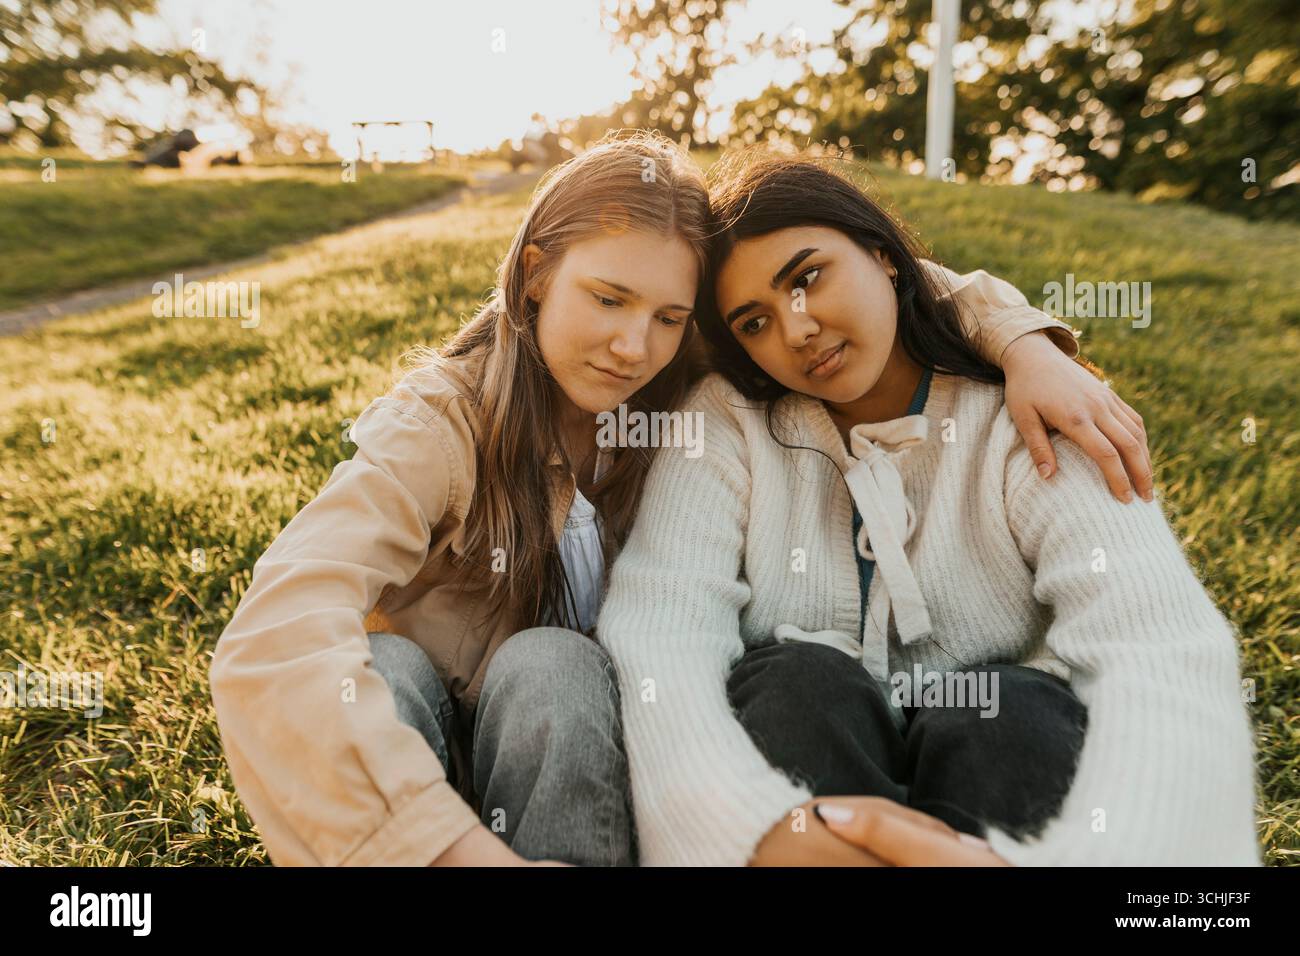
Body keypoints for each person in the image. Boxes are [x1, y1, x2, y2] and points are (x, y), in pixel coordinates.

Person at [209, 132, 1160, 867]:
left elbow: (876, 279)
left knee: (556, 666)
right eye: (607, 298)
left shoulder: (675, 391)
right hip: (417, 757)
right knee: (384, 665)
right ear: (536, 272)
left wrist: (1024, 342)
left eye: (669, 315)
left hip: (574, 744)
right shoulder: (442, 422)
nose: (634, 344)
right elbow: (279, 628)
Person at [596, 149, 1260, 867]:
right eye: (752, 323)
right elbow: (663, 631)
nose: (796, 331)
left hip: (1004, 767)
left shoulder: (1031, 407)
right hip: (805, 762)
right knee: (796, 679)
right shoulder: (728, 420)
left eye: (808, 278)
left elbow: (1157, 643)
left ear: (882, 253)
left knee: (1006, 705)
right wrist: (747, 832)